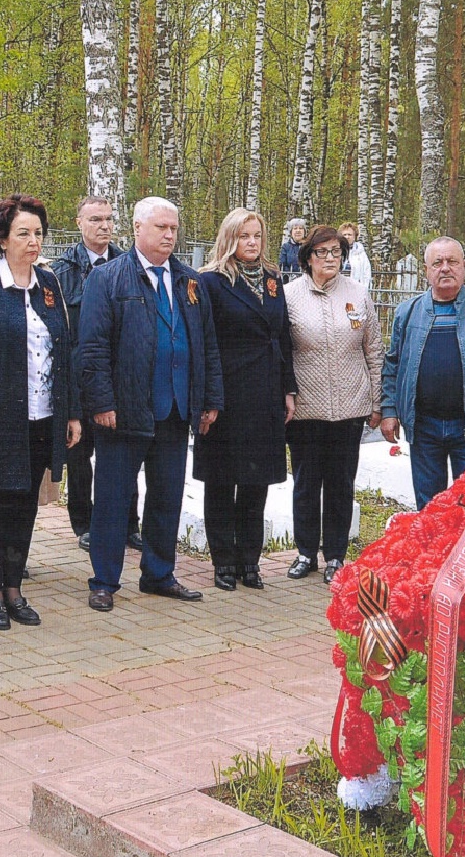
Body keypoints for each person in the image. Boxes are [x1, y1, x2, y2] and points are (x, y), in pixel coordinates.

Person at [77, 196, 223, 611]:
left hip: (175, 410)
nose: (169, 235)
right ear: (138, 228)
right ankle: (104, 579)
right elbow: (92, 347)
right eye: (161, 227)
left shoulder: (189, 281)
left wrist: (209, 399)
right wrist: (102, 401)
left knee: (166, 496)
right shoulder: (108, 279)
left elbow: (206, 344)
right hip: (124, 410)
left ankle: (159, 573)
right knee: (113, 498)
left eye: (173, 228)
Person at [0, 195, 83, 630]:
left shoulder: (48, 284)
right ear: (2, 238)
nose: (33, 241)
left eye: (38, 233)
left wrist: (71, 413)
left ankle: (13, 587)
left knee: (24, 505)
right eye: (23, 233)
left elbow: (65, 353)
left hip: (42, 417)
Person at [193, 208, 295, 590]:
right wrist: (208, 395)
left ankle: (249, 561)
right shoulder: (211, 281)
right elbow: (205, 341)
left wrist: (288, 388)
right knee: (221, 479)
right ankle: (223, 560)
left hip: (265, 390)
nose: (251, 243)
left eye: (256, 236)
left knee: (256, 480)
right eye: (243, 236)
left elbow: (282, 336)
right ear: (229, 238)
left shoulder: (273, 279)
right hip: (227, 391)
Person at [379, 236, 465, 510]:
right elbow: (392, 365)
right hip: (424, 427)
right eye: (437, 262)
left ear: (464, 266)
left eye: (452, 261)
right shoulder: (408, 312)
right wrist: (389, 410)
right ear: (426, 270)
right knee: (430, 508)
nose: (445, 268)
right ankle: (433, 554)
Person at [284, 225, 382, 584]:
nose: (330, 259)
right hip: (305, 408)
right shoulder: (290, 295)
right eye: (322, 252)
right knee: (306, 481)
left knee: (341, 483)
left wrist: (377, 400)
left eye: (336, 253)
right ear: (308, 257)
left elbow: (373, 349)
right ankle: (305, 551)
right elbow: (282, 351)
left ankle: (335, 555)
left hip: (350, 406)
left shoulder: (358, 294)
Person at [47, 195, 142, 553]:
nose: (103, 226)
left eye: (108, 219)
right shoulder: (61, 271)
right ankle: (84, 524)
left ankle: (130, 523)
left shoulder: (127, 265)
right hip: (78, 380)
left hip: (119, 379)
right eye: (95, 220)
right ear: (79, 223)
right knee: (79, 458)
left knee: (122, 458)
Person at [339, 222, 373, 289]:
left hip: (355, 289)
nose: (347, 237)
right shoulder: (336, 251)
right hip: (338, 288)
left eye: (349, 234)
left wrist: (364, 289)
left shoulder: (360, 253)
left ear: (354, 237)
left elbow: (366, 272)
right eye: (344, 235)